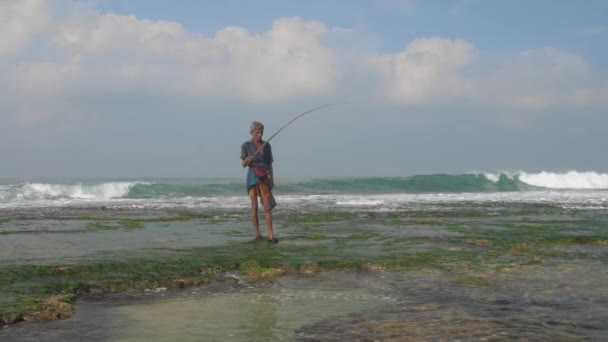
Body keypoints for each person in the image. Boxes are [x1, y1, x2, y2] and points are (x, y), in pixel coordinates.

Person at [241, 121, 278, 243]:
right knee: (254, 207)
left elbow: (270, 164)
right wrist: (247, 159)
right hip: (252, 177)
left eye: (261, 132)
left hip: (264, 178)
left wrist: (272, 179)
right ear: (252, 133)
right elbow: (244, 165)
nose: (260, 134)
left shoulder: (267, 145)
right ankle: (257, 234)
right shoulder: (246, 145)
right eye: (257, 132)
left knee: (267, 206)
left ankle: (271, 235)